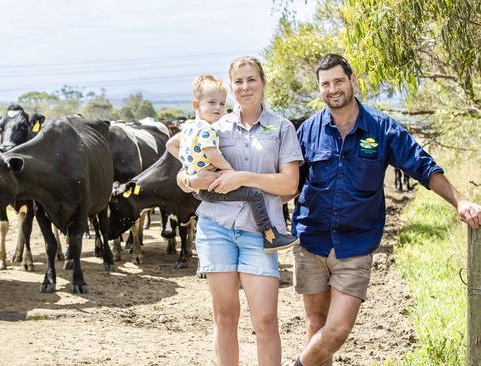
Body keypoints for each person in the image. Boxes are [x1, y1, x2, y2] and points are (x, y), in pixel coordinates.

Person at [288, 53, 481, 366]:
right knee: (316, 327)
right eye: (325, 84)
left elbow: (422, 165)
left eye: (338, 80)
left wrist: (460, 201)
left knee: (336, 331)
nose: (333, 88)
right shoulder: (308, 131)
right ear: (319, 89)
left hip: (355, 246)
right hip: (312, 241)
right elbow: (290, 182)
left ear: (352, 81)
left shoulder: (382, 128)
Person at [176, 56, 303, 366]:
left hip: (260, 234)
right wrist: (191, 179)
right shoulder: (214, 125)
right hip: (215, 228)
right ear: (231, 88)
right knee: (225, 316)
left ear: (262, 82)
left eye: (251, 79)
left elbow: (290, 183)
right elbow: (181, 172)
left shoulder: (281, 128)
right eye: (239, 81)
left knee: (266, 321)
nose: (245, 86)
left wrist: (242, 177)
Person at [166, 75, 298, 252]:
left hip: (204, 189)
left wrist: (191, 164)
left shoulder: (190, 127)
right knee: (254, 195)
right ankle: (270, 235)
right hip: (211, 188)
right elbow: (212, 154)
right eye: (212, 103)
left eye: (222, 104)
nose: (218, 108)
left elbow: (170, 145)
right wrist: (230, 171)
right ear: (196, 105)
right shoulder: (207, 129)